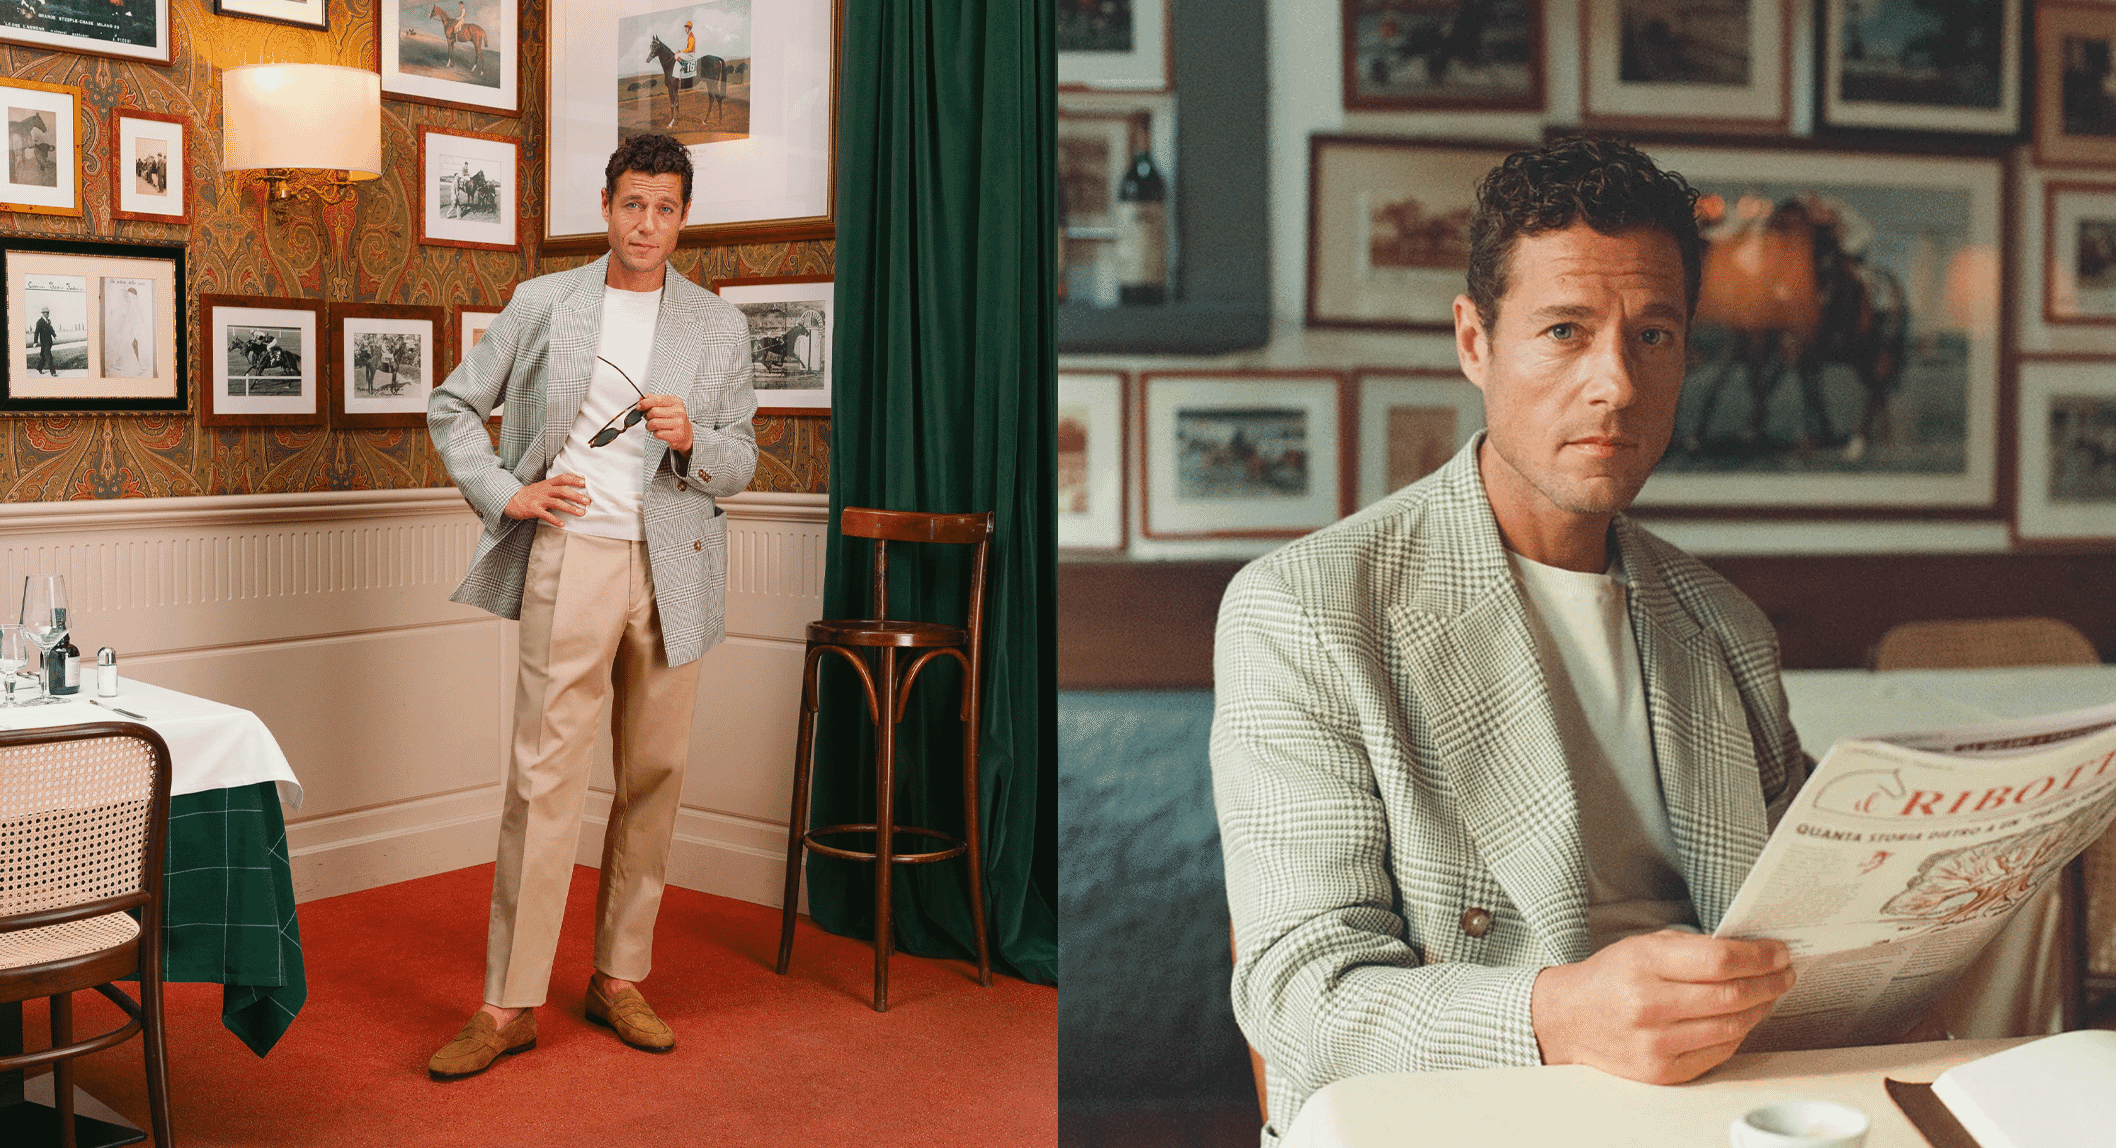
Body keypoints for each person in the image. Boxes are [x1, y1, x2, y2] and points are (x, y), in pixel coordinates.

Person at [1210, 137, 1812, 1142]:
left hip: (1719, 1109)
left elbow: (1804, 913)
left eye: (1652, 335)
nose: (1614, 383)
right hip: (1459, 1114)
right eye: (1565, 330)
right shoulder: (1306, 609)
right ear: (1473, 341)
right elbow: (1298, 994)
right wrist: (1552, 1013)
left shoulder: (1726, 626)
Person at [424, 132, 757, 1081]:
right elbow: (453, 405)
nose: (646, 224)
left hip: (677, 561)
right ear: (605, 205)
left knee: (654, 775)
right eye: (631, 204)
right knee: (544, 778)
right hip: (571, 558)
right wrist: (504, 492)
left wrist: (697, 441)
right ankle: (507, 1002)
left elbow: (741, 460)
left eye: (665, 208)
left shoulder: (716, 327)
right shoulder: (545, 301)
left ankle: (620, 977)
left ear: (683, 218)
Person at [32, 305, 54, 375]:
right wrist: (35, 342)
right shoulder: (39, 322)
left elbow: (51, 330)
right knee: (49, 356)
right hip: (44, 343)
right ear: (43, 313)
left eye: (48, 312)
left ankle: (39, 368)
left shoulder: (48, 321)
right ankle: (53, 372)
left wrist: (54, 335)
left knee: (43, 356)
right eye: (46, 313)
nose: (48, 314)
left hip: (49, 342)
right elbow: (36, 332)